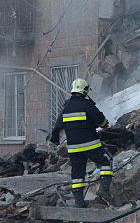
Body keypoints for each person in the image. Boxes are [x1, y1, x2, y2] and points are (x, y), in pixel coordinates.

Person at [48, 78, 114, 208]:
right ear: (85, 91)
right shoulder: (87, 105)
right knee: (106, 161)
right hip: (91, 144)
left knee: (77, 174)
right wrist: (105, 124)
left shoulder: (66, 108)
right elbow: (101, 121)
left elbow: (57, 127)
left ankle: (79, 202)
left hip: (74, 148)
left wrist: (53, 141)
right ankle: (104, 190)